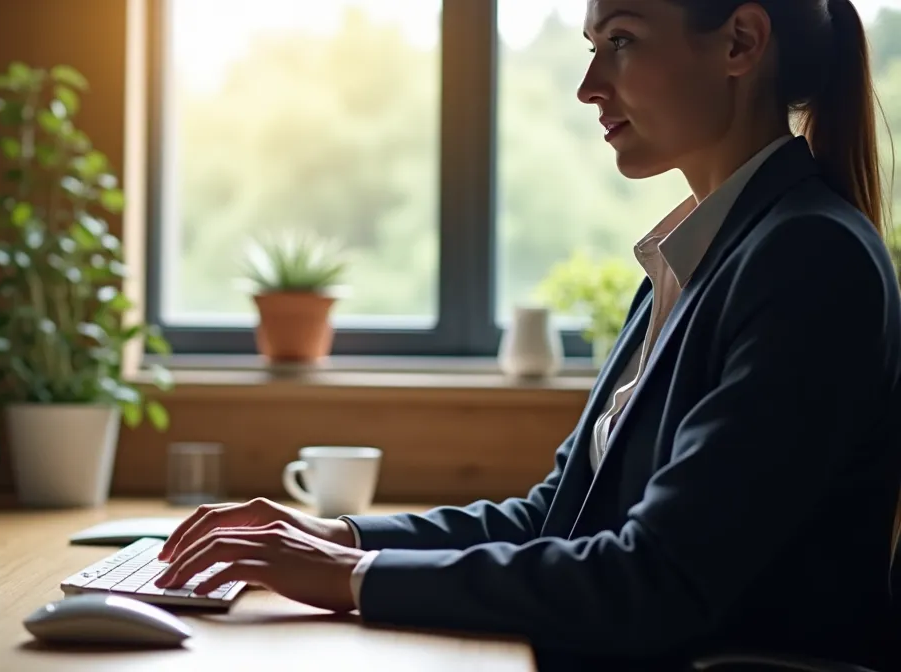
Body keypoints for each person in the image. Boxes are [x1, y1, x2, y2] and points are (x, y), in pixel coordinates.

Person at [154, 0, 901, 667]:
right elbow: (555, 517)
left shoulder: (809, 259)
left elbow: (659, 579)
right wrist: (340, 539)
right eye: (592, 47)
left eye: (622, 41)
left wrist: (351, 579)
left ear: (740, 42)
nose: (588, 86)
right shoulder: (693, 260)